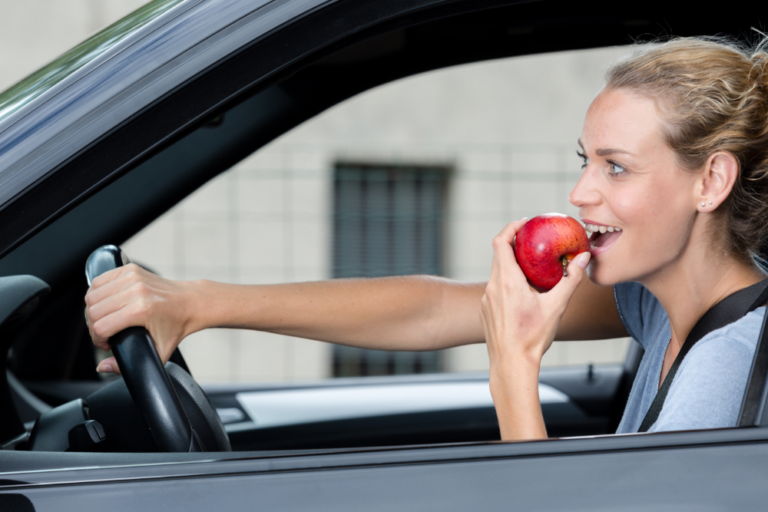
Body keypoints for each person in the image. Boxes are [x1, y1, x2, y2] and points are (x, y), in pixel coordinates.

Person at [85, 36, 768, 440]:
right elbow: (436, 307)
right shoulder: (659, 300)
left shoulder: (726, 377)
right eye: (583, 160)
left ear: (710, 181)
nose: (580, 193)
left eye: (616, 166)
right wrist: (202, 303)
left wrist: (513, 370)